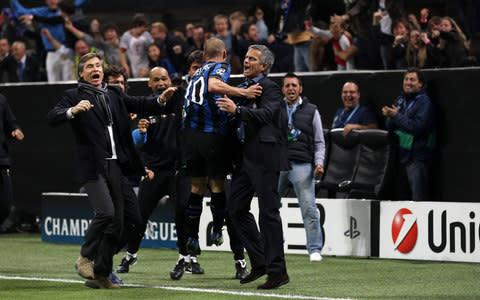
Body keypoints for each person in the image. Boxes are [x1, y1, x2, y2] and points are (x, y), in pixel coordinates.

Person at [46, 53, 172, 289]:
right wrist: (73, 111)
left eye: (98, 66)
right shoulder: (73, 95)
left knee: (131, 220)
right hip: (93, 165)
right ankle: (86, 257)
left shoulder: (113, 93)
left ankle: (101, 272)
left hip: (116, 166)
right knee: (106, 213)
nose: (96, 69)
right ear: (81, 73)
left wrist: (160, 100)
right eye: (90, 66)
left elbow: (140, 104)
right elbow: (52, 117)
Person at [217, 44, 290, 289]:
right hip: (244, 159)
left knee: (268, 213)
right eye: (246, 57)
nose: (246, 61)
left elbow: (268, 115)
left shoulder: (270, 88)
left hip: (266, 157)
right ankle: (260, 262)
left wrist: (237, 109)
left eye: (252, 59)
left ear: (264, 66)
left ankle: (278, 271)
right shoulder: (244, 88)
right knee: (235, 210)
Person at [182, 38, 261, 262]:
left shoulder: (196, 72)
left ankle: (192, 237)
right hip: (211, 134)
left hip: (190, 136)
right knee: (217, 185)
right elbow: (214, 85)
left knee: (196, 187)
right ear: (224, 54)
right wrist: (243, 93)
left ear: (204, 54)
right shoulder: (220, 66)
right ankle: (217, 230)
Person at [277, 73, 325, 262]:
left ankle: (314, 249)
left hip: (302, 164)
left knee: (309, 209)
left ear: (300, 89)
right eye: (287, 85)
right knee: (271, 208)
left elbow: (320, 141)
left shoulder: (312, 110)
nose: (290, 88)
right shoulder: (275, 109)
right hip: (278, 163)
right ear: (283, 89)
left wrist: (319, 163)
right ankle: (274, 246)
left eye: (294, 85)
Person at [382, 68, 435, 201]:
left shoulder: (424, 102)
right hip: (401, 157)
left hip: (417, 157)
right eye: (406, 79)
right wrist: (390, 117)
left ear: (420, 84)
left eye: (412, 79)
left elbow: (418, 127)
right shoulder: (400, 100)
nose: (408, 83)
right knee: (402, 200)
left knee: (418, 199)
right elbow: (390, 127)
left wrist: (396, 116)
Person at [9, 0, 90, 82]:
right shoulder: (42, 12)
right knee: (52, 83)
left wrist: (33, 17)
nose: (52, 0)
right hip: (51, 53)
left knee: (69, 82)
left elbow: (82, 2)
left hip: (67, 52)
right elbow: (21, 12)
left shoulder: (66, 9)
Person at [0, 93, 24, 226]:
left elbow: (11, 122)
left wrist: (15, 129)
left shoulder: (1, 99)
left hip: (2, 161)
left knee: (5, 206)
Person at [118, 14, 153, 78]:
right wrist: (126, 67)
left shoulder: (146, 35)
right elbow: (121, 52)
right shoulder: (126, 36)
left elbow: (152, 49)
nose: (146, 29)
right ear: (137, 25)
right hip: (133, 67)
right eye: (144, 27)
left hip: (146, 65)